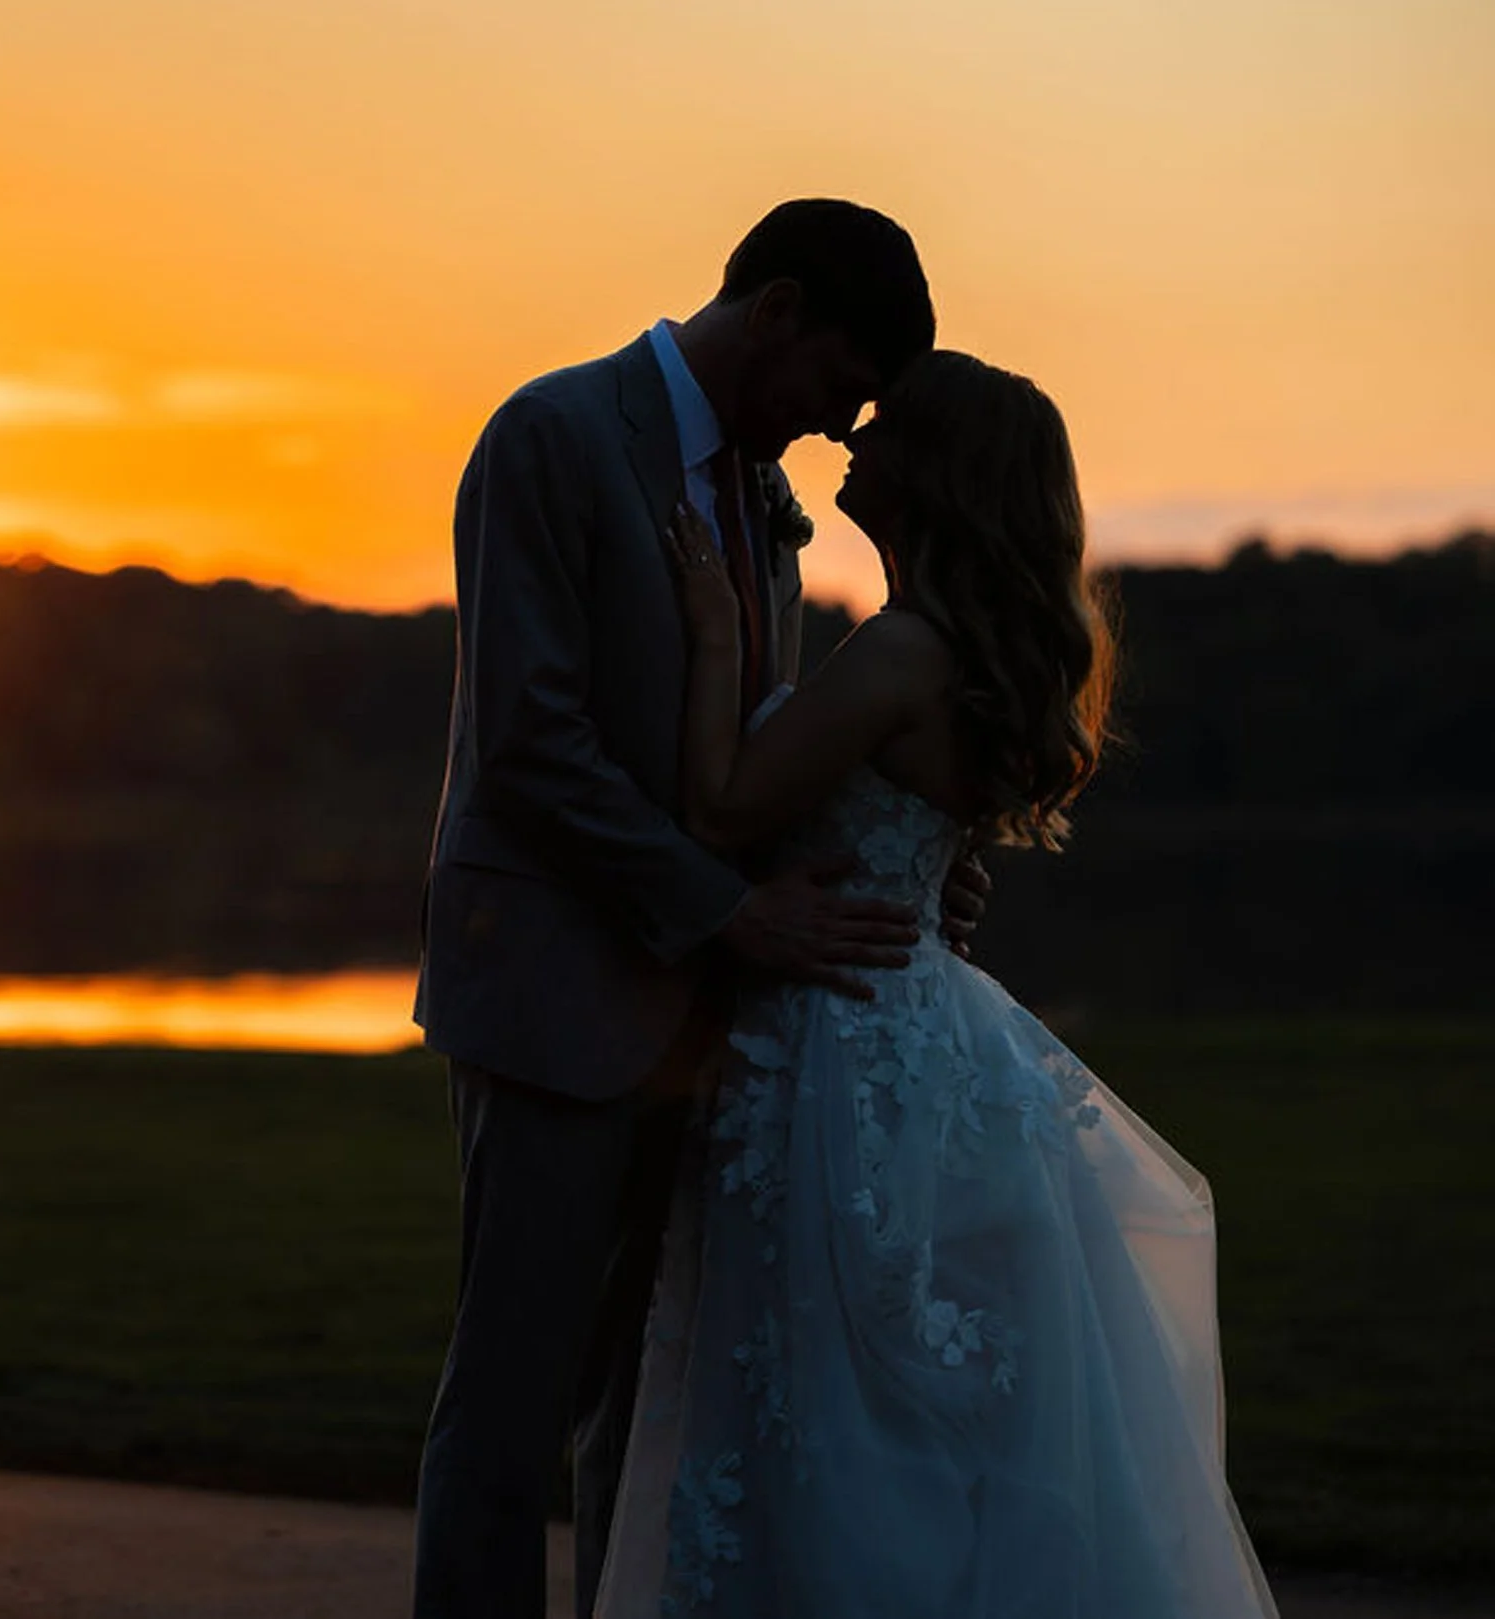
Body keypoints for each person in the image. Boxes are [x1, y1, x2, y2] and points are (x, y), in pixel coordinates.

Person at [590, 350, 1276, 1617]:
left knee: (822, 1390)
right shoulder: (960, 655)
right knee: (897, 1402)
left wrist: (717, 633)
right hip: (921, 1031)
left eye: (886, 426)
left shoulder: (901, 650)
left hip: (835, 1045)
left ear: (939, 469)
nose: (855, 436)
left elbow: (724, 805)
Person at [411, 199, 987, 1618]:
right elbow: (532, 745)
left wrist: (902, 857)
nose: (838, 425)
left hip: (716, 1029)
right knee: (511, 1404)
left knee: (650, 1406)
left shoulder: (758, 494)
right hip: (554, 997)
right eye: (840, 383)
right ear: (776, 308)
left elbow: (737, 762)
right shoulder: (553, 435)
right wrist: (730, 911)